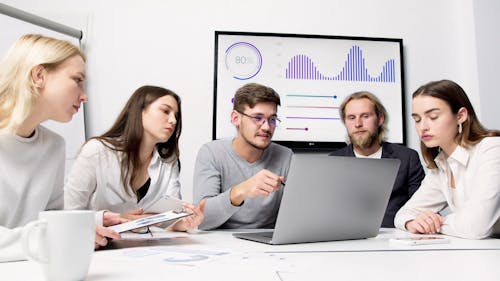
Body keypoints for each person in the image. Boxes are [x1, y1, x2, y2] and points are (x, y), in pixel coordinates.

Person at [0, 34, 122, 262]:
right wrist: (59, 237)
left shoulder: (54, 146)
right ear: (39, 75)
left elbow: (49, 219)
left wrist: (92, 224)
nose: (84, 96)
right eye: (77, 80)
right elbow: (44, 235)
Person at [64, 85, 205, 232]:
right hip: (98, 248)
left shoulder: (169, 162)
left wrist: (185, 222)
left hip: (144, 249)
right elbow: (66, 213)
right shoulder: (97, 151)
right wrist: (109, 219)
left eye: (176, 115)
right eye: (165, 111)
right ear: (140, 111)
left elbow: (168, 220)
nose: (173, 120)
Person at [395, 79, 500, 239]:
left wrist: (435, 223)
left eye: (433, 116)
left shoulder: (492, 149)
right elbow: (403, 214)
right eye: (417, 119)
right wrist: (412, 222)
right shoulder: (441, 164)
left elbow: (476, 227)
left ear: (460, 116)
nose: (422, 127)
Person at [193, 83, 293, 230]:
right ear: (235, 118)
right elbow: (201, 220)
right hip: (223, 242)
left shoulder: (285, 155)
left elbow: (296, 214)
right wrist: (242, 190)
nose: (266, 127)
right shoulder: (211, 152)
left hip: (269, 243)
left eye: (272, 119)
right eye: (257, 118)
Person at [330, 91, 425, 227]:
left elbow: (423, 207)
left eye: (365, 116)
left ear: (380, 119)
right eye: (351, 118)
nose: (358, 124)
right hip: (348, 240)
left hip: (395, 238)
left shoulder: (407, 158)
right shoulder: (333, 162)